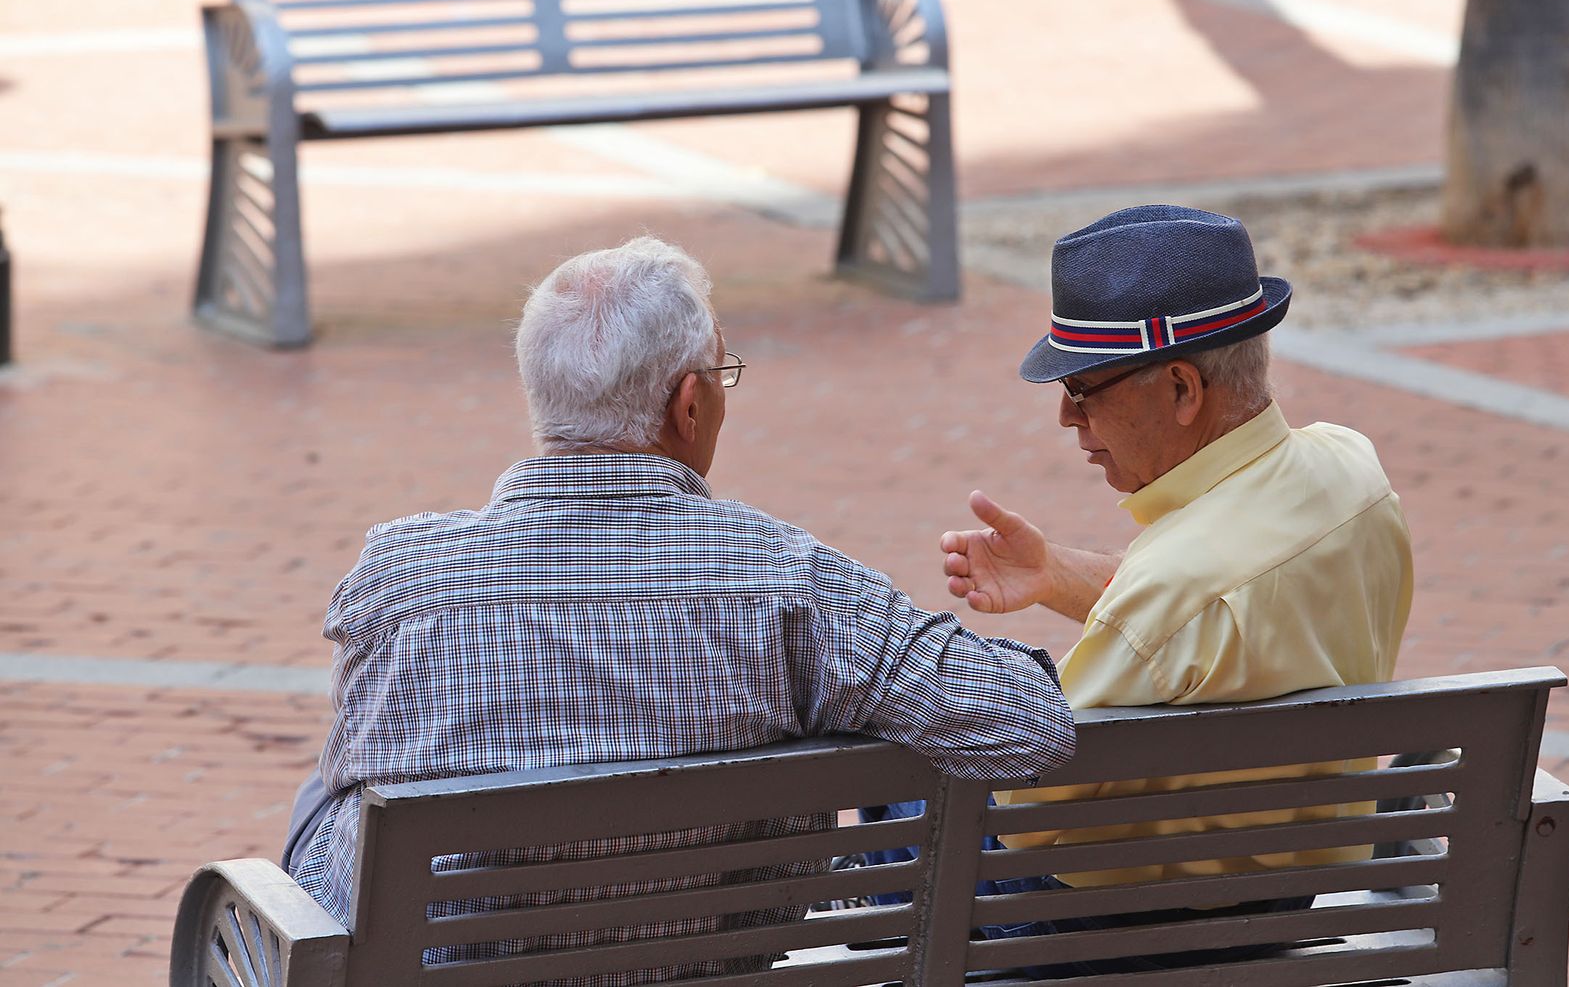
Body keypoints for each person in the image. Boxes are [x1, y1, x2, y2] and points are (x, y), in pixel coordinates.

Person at [281, 235, 1077, 972]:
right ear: (688, 405)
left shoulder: (398, 582)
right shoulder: (787, 583)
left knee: (332, 791)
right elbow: (1031, 722)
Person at [867, 204, 1413, 976]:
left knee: (910, 781)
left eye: (1083, 387)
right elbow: (1217, 623)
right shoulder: (1355, 474)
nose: (1065, 416)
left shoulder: (1167, 590)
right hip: (1290, 893)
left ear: (1184, 388)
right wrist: (1056, 571)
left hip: (1111, 935)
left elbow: (1026, 819)